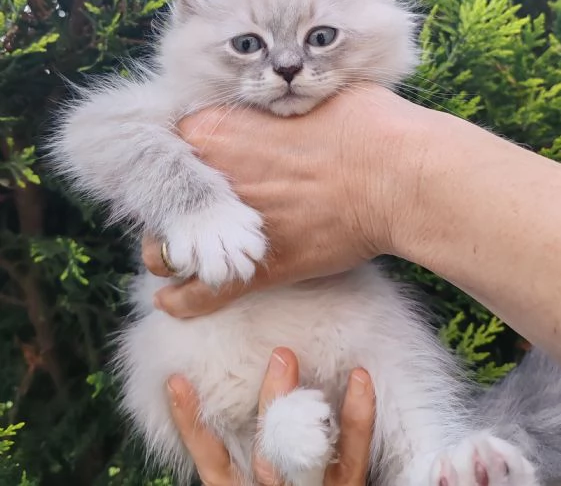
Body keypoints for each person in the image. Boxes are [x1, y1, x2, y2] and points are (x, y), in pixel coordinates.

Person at [142, 86, 561, 484]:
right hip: (232, 385)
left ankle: (427, 457)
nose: (287, 66)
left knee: (374, 332)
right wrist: (193, 202)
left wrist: (378, 179)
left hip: (322, 361)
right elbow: (100, 132)